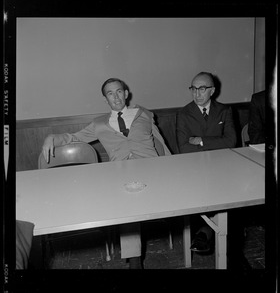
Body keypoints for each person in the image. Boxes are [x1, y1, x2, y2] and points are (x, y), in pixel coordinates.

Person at [42, 78, 171, 269]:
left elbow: (161, 144)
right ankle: (135, 261)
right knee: (129, 209)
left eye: (119, 91)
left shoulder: (144, 114)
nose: (116, 97)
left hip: (151, 170)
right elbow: (74, 137)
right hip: (121, 175)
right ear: (105, 99)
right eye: (110, 93)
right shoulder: (99, 124)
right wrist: (51, 137)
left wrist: (171, 167)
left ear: (126, 94)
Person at [176, 71, 237, 253]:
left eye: (202, 89)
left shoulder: (225, 111)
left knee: (231, 198)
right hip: (194, 169)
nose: (197, 94)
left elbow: (232, 141)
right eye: (193, 89)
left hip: (222, 167)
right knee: (199, 196)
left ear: (212, 90)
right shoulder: (184, 113)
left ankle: (210, 237)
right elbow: (184, 148)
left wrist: (202, 141)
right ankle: (206, 232)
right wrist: (215, 144)